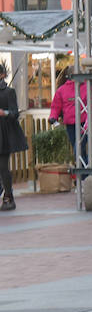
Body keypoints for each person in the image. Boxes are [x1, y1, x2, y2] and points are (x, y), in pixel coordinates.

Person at [47, 66, 88, 166]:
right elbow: (56, 106)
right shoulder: (62, 90)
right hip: (71, 125)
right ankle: (84, 174)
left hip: (85, 124)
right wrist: (53, 117)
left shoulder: (87, 86)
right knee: (79, 151)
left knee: (77, 150)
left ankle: (83, 176)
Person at [0, 62, 27, 211]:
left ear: (2, 75)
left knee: (3, 167)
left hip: (3, 134)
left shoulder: (8, 92)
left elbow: (15, 112)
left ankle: (9, 197)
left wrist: (4, 113)